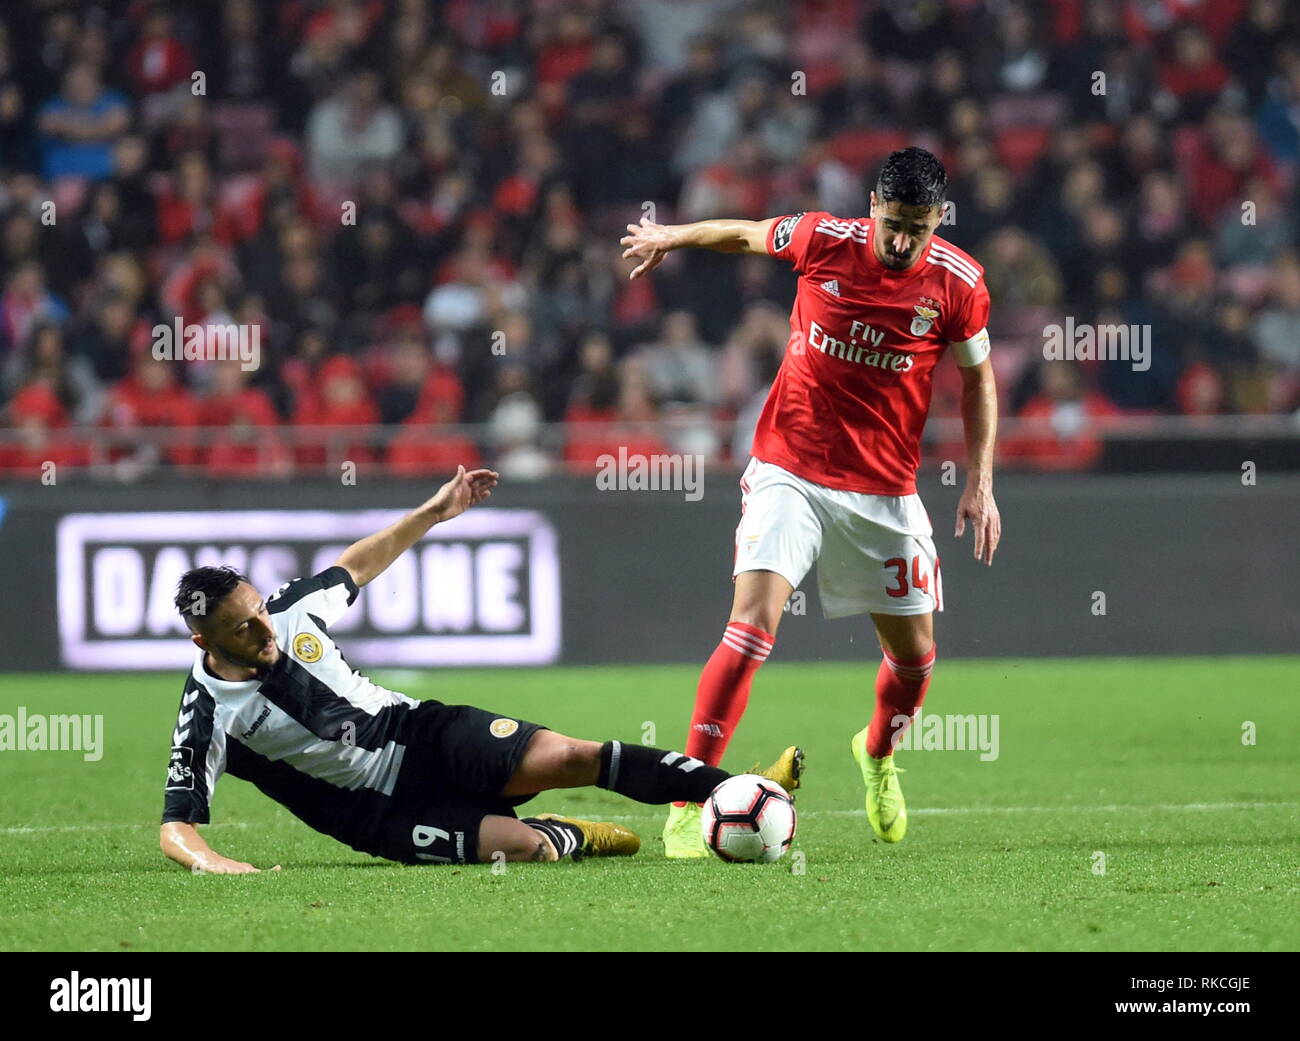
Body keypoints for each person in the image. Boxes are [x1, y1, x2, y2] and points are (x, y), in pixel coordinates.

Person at [620, 147, 1001, 855]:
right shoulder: (824, 238)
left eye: (917, 228)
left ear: (938, 220)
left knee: (915, 662)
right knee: (749, 631)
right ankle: (683, 799)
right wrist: (671, 237)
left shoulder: (958, 283)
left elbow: (979, 380)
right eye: (892, 223)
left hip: (884, 491)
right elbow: (744, 233)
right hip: (788, 470)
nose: (899, 241)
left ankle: (878, 754)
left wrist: (980, 478)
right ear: (871, 207)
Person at [160, 465, 802, 872]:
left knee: (573, 756)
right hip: (375, 813)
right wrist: (209, 861)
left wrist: (433, 513)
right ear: (202, 640)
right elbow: (176, 826)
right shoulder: (209, 713)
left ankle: (734, 792)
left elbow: (355, 565)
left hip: (421, 734)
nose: (262, 626)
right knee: (523, 848)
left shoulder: (289, 611)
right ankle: (570, 834)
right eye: (242, 627)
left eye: (257, 609)